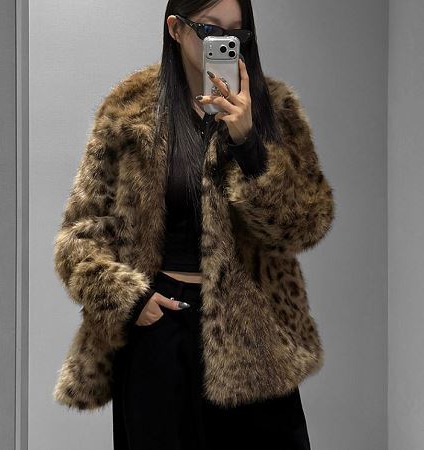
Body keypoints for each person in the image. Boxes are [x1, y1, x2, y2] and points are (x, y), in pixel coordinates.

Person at [52, 0, 335, 449]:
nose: (224, 41)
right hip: (158, 329)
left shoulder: (273, 111)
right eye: (209, 28)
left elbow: (306, 225)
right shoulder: (129, 112)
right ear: (176, 28)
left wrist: (249, 146)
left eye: (236, 32)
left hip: (253, 334)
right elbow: (79, 237)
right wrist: (129, 299)